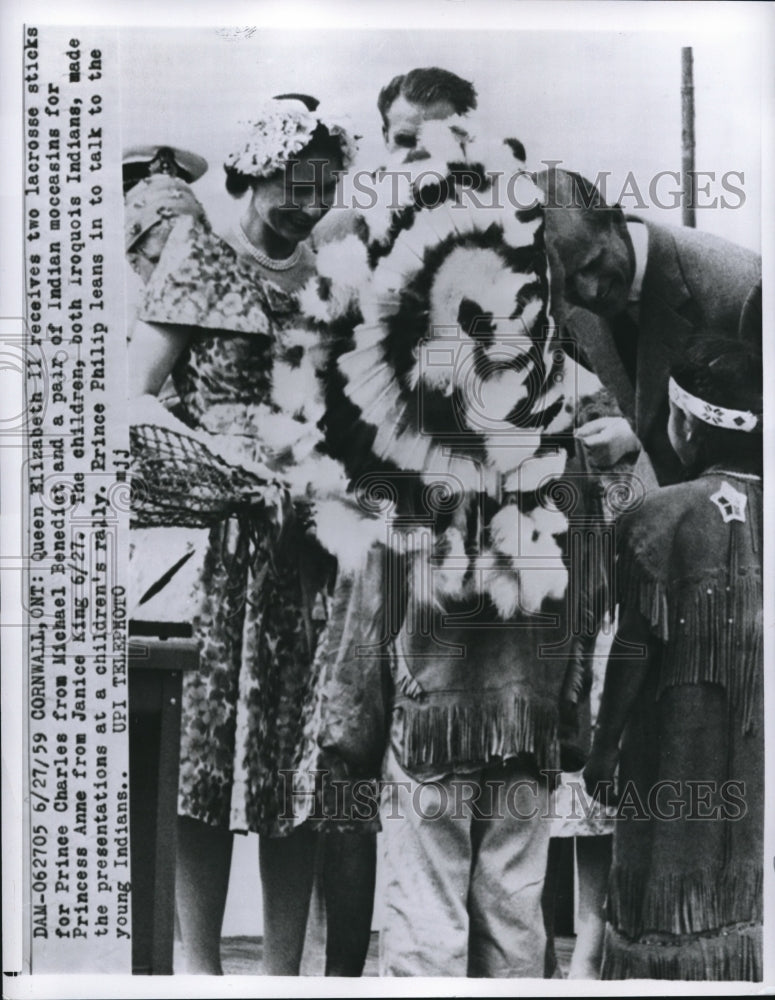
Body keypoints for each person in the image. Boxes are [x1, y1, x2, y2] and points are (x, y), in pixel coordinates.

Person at [127, 95, 372, 976]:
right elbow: (132, 394)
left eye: (322, 190)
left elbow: (354, 415)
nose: (304, 206)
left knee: (292, 768)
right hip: (212, 552)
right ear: (253, 170)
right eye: (290, 188)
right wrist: (221, 457)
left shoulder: (333, 279)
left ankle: (281, 977)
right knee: (200, 761)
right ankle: (199, 970)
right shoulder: (197, 252)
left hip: (302, 556)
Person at [584, 338, 763, 980]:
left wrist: (603, 753)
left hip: (678, 766)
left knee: (669, 925)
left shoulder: (663, 516)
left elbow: (633, 646)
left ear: (685, 425)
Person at [534, 168, 762, 485]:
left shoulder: (741, 288)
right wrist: (635, 432)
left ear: (616, 221)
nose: (589, 291)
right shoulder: (564, 305)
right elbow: (652, 399)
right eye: (568, 283)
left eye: (593, 263)